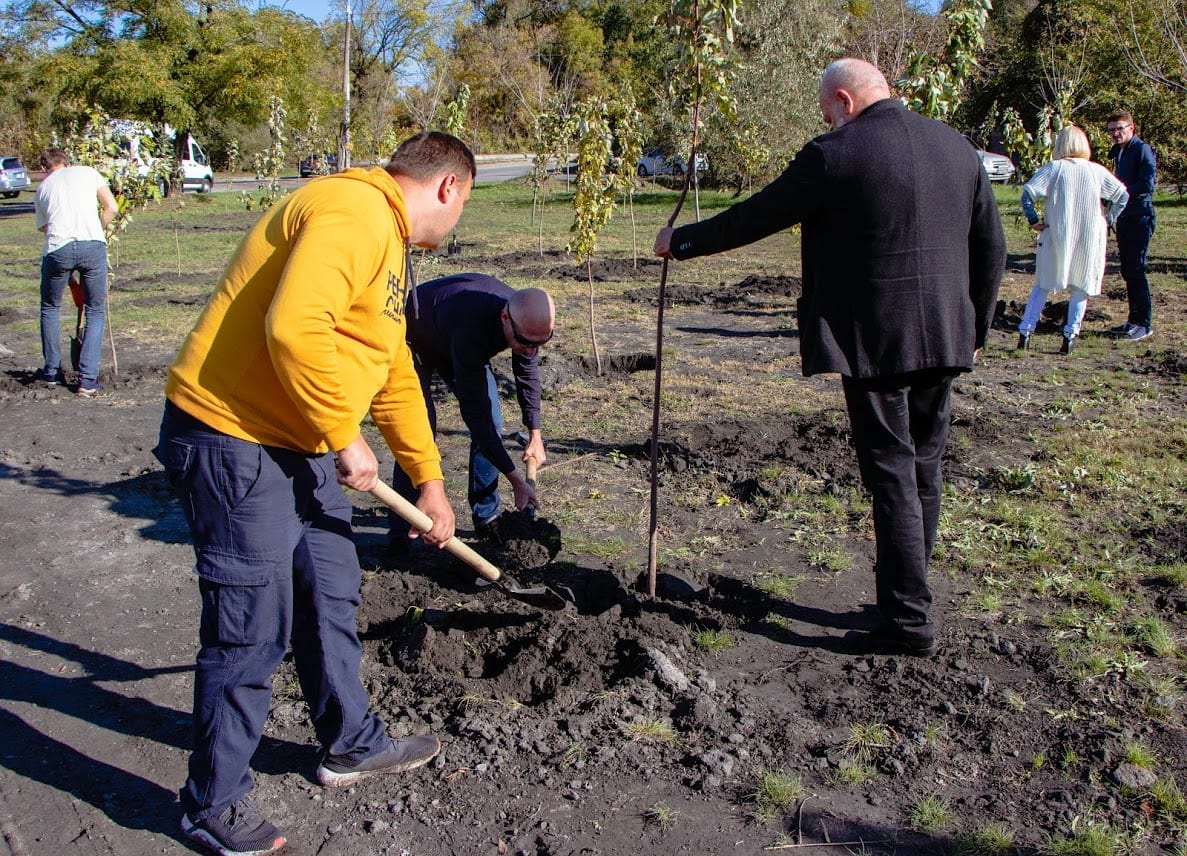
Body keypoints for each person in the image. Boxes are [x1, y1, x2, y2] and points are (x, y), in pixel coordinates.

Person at [152, 131, 475, 856]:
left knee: (330, 588)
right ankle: (212, 803)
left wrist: (427, 478)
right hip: (231, 435)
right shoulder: (354, 211)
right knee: (250, 627)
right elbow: (293, 328)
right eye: (464, 208)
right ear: (449, 188)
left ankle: (349, 742)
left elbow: (392, 373)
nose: (456, 225)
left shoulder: (389, 248)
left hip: (294, 440)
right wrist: (342, 434)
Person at [654, 58, 1006, 658]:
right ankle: (905, 593)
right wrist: (977, 323)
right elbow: (991, 247)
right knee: (924, 463)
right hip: (948, 335)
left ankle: (908, 622)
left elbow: (756, 216)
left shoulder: (835, 154)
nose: (828, 123)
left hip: (875, 341)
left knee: (892, 470)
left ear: (844, 100)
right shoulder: (956, 147)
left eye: (826, 113)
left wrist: (681, 240)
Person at [390, 273, 553, 548]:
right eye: (525, 342)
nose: (529, 350)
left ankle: (487, 517)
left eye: (538, 344)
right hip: (414, 335)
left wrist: (535, 434)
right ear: (505, 318)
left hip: (453, 336)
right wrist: (515, 478)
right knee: (418, 431)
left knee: (494, 421)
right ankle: (402, 533)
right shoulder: (473, 325)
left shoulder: (528, 321)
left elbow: (527, 375)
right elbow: (475, 415)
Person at [1017, 125, 1129, 355]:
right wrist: (1108, 219)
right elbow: (1122, 195)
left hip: (1057, 233)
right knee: (1081, 286)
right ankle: (1070, 336)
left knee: (1043, 284)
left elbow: (1027, 194)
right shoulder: (1096, 171)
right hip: (1089, 236)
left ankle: (1026, 332)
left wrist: (1034, 220)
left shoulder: (1054, 169)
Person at [33, 148, 119, 396]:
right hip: (92, 245)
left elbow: (45, 228)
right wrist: (96, 229)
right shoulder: (89, 172)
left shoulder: (43, 188)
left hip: (57, 248)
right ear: (67, 162)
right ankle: (88, 380)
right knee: (95, 310)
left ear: (43, 168)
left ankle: (51, 373)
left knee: (50, 307)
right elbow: (111, 207)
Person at [1106, 110, 1157, 341]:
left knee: (1136, 269)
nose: (1116, 133)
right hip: (1125, 217)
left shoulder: (1141, 149)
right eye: (1112, 130)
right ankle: (1133, 319)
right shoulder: (1120, 152)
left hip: (1140, 217)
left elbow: (1147, 184)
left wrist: (1120, 194)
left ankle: (1144, 324)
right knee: (1127, 270)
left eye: (1120, 128)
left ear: (1131, 128)